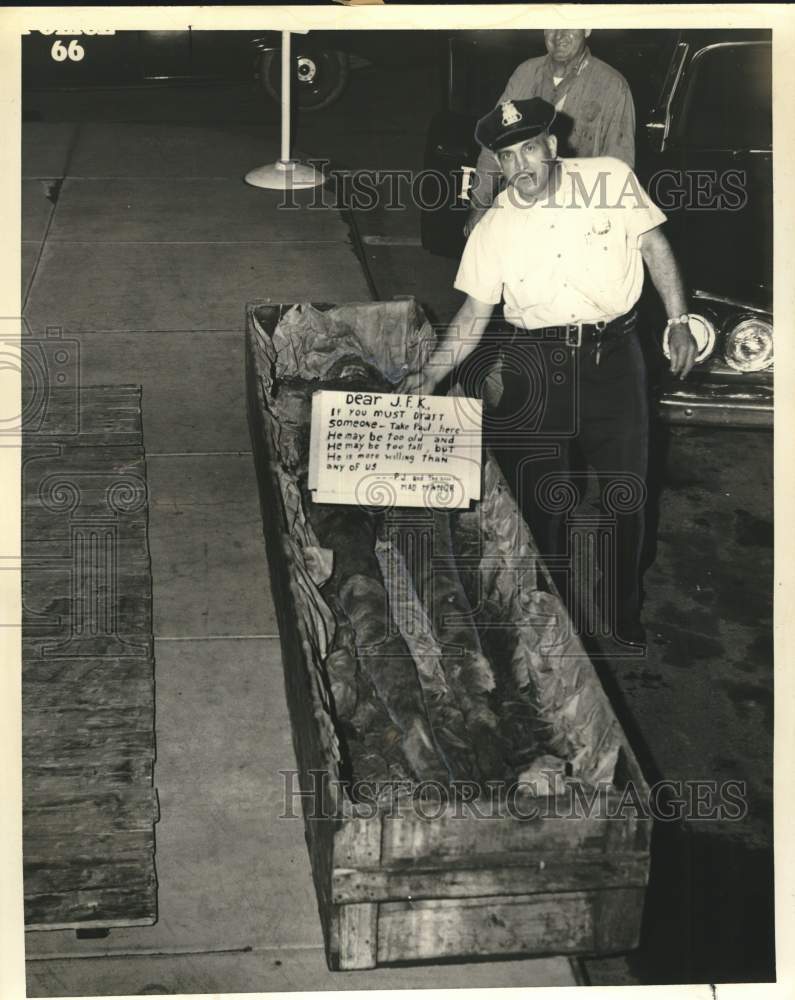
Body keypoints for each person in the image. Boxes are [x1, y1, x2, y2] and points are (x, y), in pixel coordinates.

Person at [402, 98, 698, 647]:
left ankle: (622, 611)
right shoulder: (493, 227)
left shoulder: (610, 179)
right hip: (536, 363)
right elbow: (473, 315)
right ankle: (548, 620)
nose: (521, 167)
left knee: (626, 493)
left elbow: (655, 246)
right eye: (508, 156)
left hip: (616, 358)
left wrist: (680, 319)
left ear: (552, 147)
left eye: (529, 149)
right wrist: (430, 376)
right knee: (541, 501)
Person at [465, 29, 636, 237]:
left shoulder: (613, 86)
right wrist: (479, 205)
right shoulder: (525, 74)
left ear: (588, 28)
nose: (559, 35)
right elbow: (493, 146)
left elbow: (620, 170)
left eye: (570, 25)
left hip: (576, 221)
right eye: (552, 25)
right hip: (517, 215)